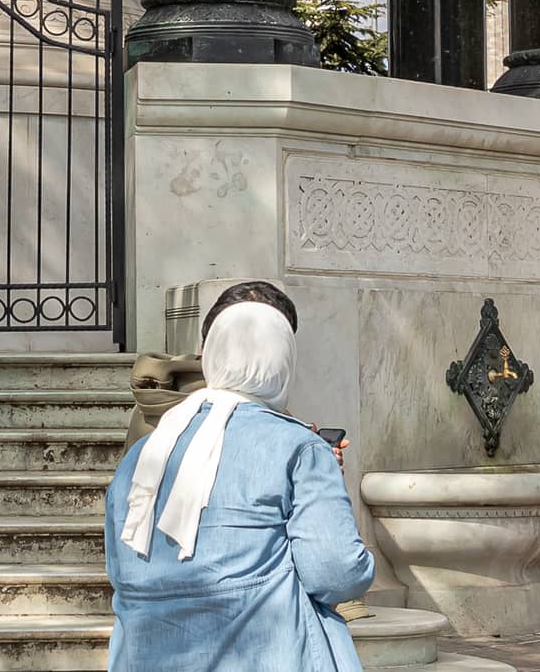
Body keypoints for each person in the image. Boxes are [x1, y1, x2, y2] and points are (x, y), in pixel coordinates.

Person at [104, 285, 371, 671]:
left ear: (210, 354)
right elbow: (337, 573)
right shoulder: (300, 449)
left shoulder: (141, 456)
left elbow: (121, 571)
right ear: (284, 360)